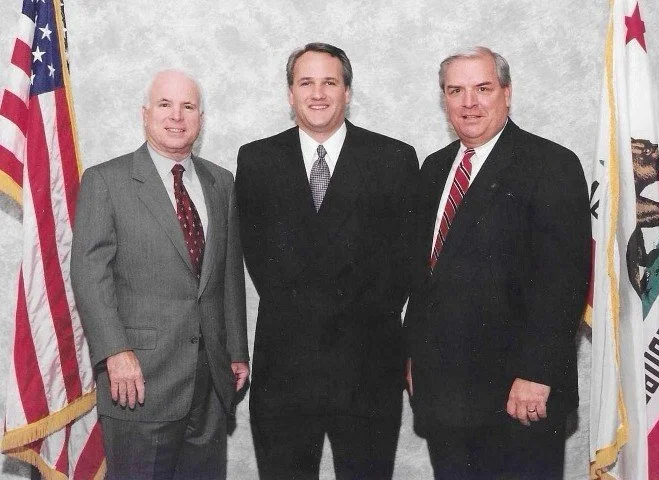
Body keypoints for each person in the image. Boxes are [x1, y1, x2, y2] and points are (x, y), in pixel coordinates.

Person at [404, 46, 591, 479]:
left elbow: (562, 282)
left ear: (507, 93)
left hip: (517, 396)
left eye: (483, 88)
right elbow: (425, 279)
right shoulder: (434, 169)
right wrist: (414, 356)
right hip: (443, 395)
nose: (469, 102)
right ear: (444, 99)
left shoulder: (551, 165)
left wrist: (537, 373)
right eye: (456, 90)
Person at [236, 42, 419, 479]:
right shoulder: (257, 160)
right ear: (290, 94)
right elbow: (261, 261)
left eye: (329, 82)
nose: (318, 94)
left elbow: (403, 267)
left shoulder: (393, 159)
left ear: (348, 92)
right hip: (285, 373)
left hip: (367, 371)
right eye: (306, 83)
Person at [71, 69, 249, 480]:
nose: (176, 116)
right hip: (138, 383)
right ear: (145, 114)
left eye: (188, 106)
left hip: (210, 385)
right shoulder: (106, 181)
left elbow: (227, 276)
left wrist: (236, 350)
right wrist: (115, 352)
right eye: (165, 104)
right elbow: (88, 275)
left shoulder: (220, 182)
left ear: (200, 119)